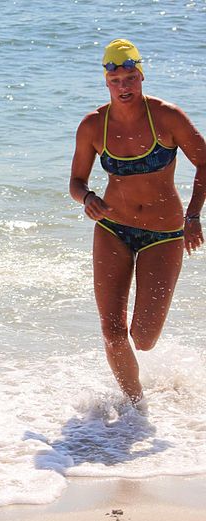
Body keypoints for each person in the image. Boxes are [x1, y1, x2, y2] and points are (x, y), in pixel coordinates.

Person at [69, 39, 206, 405]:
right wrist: (88, 199)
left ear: (141, 76)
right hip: (112, 229)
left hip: (163, 234)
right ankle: (136, 408)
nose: (124, 86)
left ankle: (145, 390)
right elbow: (76, 182)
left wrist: (193, 215)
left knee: (143, 338)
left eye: (130, 78)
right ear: (106, 82)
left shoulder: (167, 117)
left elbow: (204, 161)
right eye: (116, 81)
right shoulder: (93, 126)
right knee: (113, 332)